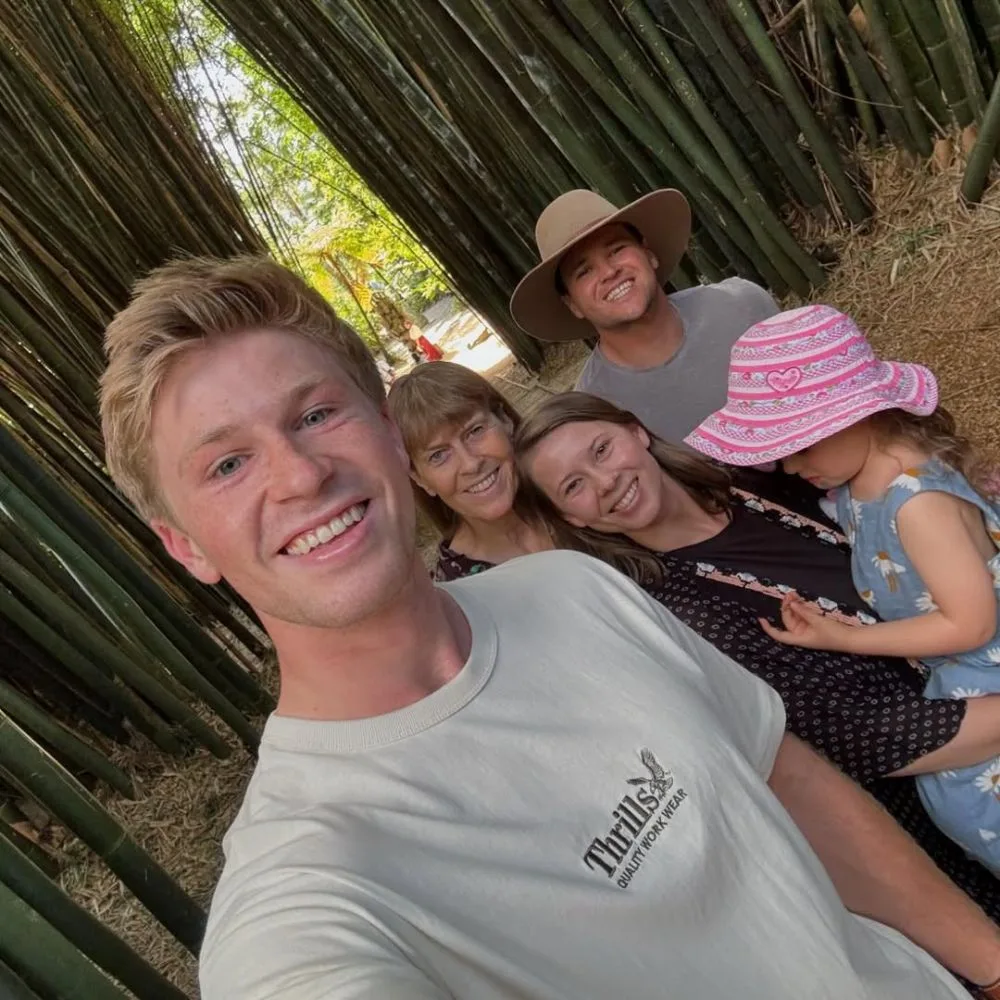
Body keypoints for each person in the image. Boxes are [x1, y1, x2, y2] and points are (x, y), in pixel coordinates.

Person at [98, 256, 1000, 1000]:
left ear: (380, 428)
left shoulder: (578, 588)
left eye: (316, 414)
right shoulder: (308, 887)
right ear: (185, 548)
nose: (298, 476)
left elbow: (791, 782)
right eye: (226, 464)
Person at [512, 389, 1000, 912]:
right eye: (574, 487)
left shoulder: (757, 479)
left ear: (635, 430)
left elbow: (894, 494)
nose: (604, 483)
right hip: (956, 783)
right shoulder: (682, 614)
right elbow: (867, 737)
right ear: (574, 520)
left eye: (601, 450)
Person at [686, 303, 1000, 872]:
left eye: (800, 445)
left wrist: (844, 640)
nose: (786, 467)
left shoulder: (917, 504)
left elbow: (972, 622)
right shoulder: (855, 487)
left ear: (860, 415)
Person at [508, 188, 779, 442]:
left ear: (648, 254)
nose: (609, 272)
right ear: (572, 305)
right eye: (584, 271)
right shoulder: (595, 412)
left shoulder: (742, 305)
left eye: (616, 250)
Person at [386, 362, 551, 580]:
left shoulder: (579, 489)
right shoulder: (457, 595)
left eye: (475, 431)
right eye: (438, 455)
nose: (471, 464)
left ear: (504, 419)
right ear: (419, 479)